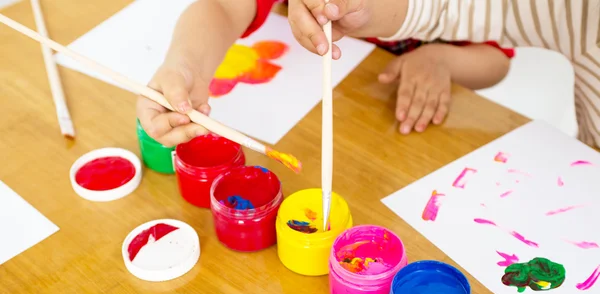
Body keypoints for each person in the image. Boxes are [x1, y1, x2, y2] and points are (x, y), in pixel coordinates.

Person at [136, 0, 511, 145]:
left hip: (400, 127)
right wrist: (185, 63)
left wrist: (441, 59)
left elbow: (496, 59)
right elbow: (222, 7)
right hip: (314, 122)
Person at [289, 0, 600, 148]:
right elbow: (453, 10)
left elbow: (496, 59)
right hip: (337, 115)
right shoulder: (579, 13)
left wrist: (443, 59)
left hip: (414, 134)